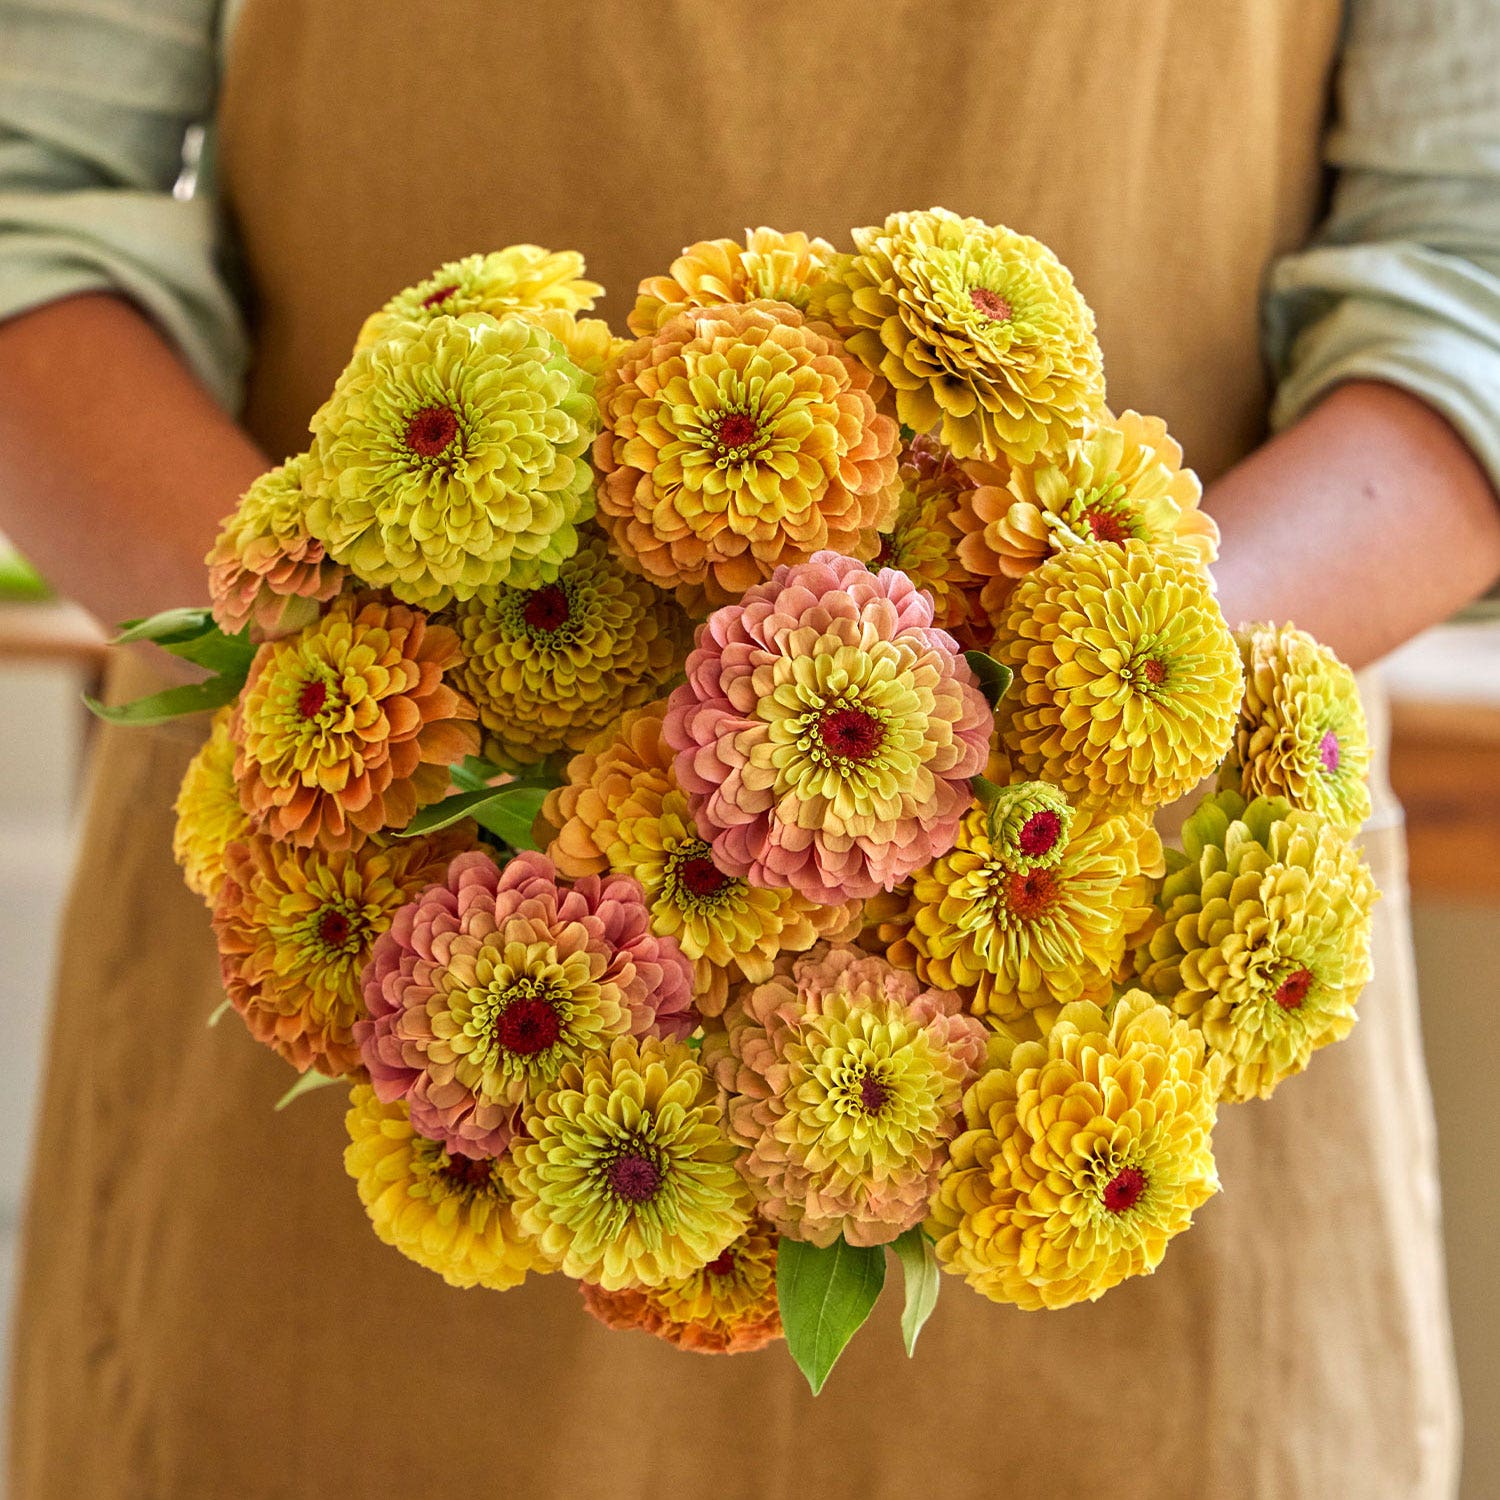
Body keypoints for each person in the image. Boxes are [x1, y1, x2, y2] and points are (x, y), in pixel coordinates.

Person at [2, 1, 1498, 1496]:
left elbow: (1470, 279)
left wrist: (1102, 679)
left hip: (1111, 988)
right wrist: (333, 691)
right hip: (376, 981)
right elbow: (25, 207)